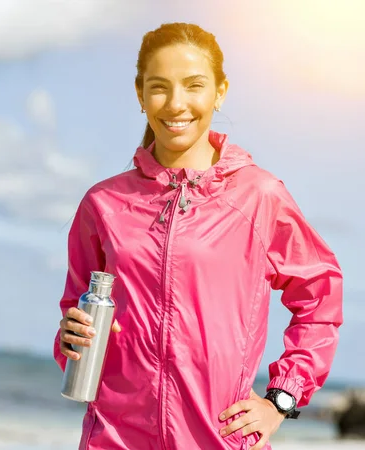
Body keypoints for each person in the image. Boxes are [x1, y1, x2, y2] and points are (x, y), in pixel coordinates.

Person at [53, 22, 343, 450]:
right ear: (139, 94)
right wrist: (69, 336)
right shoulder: (103, 204)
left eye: (194, 85)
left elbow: (321, 296)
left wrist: (280, 399)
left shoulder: (258, 196)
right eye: (159, 87)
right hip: (113, 439)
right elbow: (73, 324)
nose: (176, 104)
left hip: (219, 440)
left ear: (220, 91)